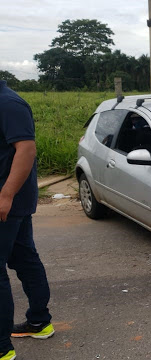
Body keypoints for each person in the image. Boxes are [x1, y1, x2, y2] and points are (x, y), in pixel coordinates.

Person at [0, 80, 54, 360]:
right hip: (11, 199)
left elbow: (26, 150)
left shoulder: (9, 103)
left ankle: (1, 348)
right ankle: (39, 321)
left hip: (8, 200)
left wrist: (5, 195)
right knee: (23, 258)